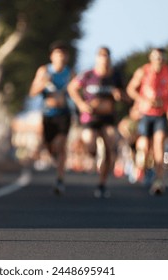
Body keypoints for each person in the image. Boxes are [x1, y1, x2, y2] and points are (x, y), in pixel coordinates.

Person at [67, 47, 124, 198]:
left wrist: (119, 95)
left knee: (111, 140)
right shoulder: (87, 74)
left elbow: (125, 94)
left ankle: (102, 183)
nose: (104, 59)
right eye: (101, 56)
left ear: (110, 59)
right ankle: (93, 154)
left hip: (108, 118)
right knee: (89, 140)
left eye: (106, 56)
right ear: (96, 59)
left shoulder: (115, 76)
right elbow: (72, 88)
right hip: (90, 118)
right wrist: (80, 104)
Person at [127, 48, 168, 195]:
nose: (159, 60)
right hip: (146, 114)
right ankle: (144, 169)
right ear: (151, 58)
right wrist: (144, 100)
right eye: (156, 57)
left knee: (159, 145)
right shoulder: (143, 71)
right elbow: (130, 89)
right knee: (146, 147)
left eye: (161, 57)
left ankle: (159, 180)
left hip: (160, 114)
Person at [28, 41, 74, 195]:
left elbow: (76, 93)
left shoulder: (70, 73)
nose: (60, 57)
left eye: (63, 54)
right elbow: (33, 92)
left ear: (66, 57)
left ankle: (60, 180)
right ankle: (53, 154)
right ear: (52, 56)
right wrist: (43, 83)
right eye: (57, 54)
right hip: (48, 115)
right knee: (50, 146)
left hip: (64, 114)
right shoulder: (44, 71)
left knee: (61, 145)